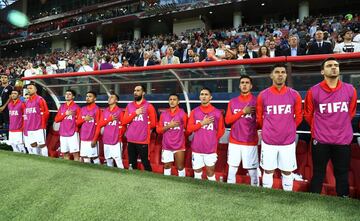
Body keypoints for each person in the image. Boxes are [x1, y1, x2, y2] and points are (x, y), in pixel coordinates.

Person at [304, 57, 357, 197]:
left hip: (342, 139)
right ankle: (312, 201)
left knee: (342, 172)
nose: (334, 67)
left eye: (336, 65)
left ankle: (343, 199)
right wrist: (321, 129)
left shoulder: (350, 89)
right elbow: (308, 115)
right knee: (318, 172)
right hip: (321, 140)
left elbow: (350, 113)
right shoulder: (313, 91)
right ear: (322, 71)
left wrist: (340, 126)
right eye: (329, 66)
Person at [256, 64, 302, 191]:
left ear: (286, 75)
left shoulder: (294, 95)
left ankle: (287, 197)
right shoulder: (263, 95)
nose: (280, 74)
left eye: (283, 72)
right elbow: (259, 118)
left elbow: (299, 117)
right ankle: (266, 196)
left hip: (287, 141)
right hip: (269, 140)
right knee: (268, 170)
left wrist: (289, 129)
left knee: (287, 171)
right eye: (277, 72)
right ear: (271, 75)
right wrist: (267, 130)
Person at [225, 76, 258, 186]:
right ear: (239, 86)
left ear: (251, 86)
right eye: (242, 83)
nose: (244, 85)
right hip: (234, 141)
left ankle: (256, 195)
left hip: (250, 141)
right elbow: (228, 120)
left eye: (247, 83)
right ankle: (230, 195)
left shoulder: (256, 101)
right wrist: (242, 112)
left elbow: (261, 122)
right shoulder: (232, 102)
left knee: (253, 172)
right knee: (232, 171)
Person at [187, 87, 225, 181]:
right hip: (197, 148)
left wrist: (212, 140)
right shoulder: (194, 112)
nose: (204, 96)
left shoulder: (217, 113)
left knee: (210, 173)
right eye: (202, 94)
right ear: (199, 97)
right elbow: (189, 129)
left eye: (206, 94)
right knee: (197, 173)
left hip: (210, 149)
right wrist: (202, 123)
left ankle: (213, 193)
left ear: (210, 97)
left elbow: (221, 130)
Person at [123, 85, 157, 171]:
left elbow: (153, 124)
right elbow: (124, 121)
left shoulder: (149, 106)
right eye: (134, 90)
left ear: (143, 93)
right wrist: (135, 113)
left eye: (138, 90)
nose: (135, 92)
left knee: (145, 163)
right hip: (130, 139)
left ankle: (150, 181)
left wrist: (144, 129)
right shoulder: (129, 105)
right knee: (132, 164)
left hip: (143, 140)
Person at [156, 93, 188, 177]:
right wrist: (169, 126)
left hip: (179, 145)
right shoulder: (163, 114)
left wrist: (181, 138)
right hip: (166, 145)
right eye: (170, 99)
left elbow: (188, 130)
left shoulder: (182, 114)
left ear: (178, 102)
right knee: (166, 166)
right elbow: (158, 130)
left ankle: (182, 184)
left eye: (174, 99)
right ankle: (167, 184)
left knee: (180, 167)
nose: (172, 101)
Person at [96, 93, 125, 169]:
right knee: (109, 160)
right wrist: (109, 119)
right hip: (106, 140)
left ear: (116, 100)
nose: (109, 99)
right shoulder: (105, 111)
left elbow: (123, 126)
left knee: (118, 161)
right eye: (109, 97)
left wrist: (119, 136)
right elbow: (100, 124)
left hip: (116, 140)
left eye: (112, 97)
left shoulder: (120, 111)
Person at [24, 83, 50, 157]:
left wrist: (42, 123)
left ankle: (46, 160)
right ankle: (37, 160)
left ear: (36, 90)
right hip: (30, 127)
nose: (29, 90)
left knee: (42, 144)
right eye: (28, 88)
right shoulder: (27, 101)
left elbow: (46, 113)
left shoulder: (40, 99)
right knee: (33, 145)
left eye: (31, 88)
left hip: (39, 127)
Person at [54, 89, 81, 161]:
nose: (67, 95)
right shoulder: (62, 107)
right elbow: (56, 119)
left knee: (75, 153)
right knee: (65, 153)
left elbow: (79, 120)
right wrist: (65, 114)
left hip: (73, 133)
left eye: (69, 94)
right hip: (63, 133)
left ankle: (77, 169)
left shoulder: (76, 107)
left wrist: (75, 126)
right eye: (66, 94)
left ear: (73, 96)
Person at [76, 91, 101, 164]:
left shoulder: (97, 109)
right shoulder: (83, 109)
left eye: (90, 96)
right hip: (83, 138)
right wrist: (84, 119)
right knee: (86, 158)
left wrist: (95, 139)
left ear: (95, 98)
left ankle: (99, 173)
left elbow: (98, 125)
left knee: (95, 157)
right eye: (87, 96)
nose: (88, 98)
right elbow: (77, 123)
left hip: (92, 138)